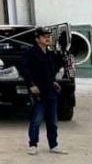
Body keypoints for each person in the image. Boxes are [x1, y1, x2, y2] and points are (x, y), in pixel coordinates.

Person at [21, 27, 67, 155]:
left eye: (48, 36)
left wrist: (53, 81)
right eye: (44, 36)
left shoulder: (49, 54)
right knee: (36, 119)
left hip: (50, 91)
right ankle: (33, 144)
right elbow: (25, 70)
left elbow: (51, 71)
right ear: (37, 39)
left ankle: (53, 145)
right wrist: (31, 85)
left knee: (53, 121)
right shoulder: (31, 53)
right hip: (38, 91)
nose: (47, 38)